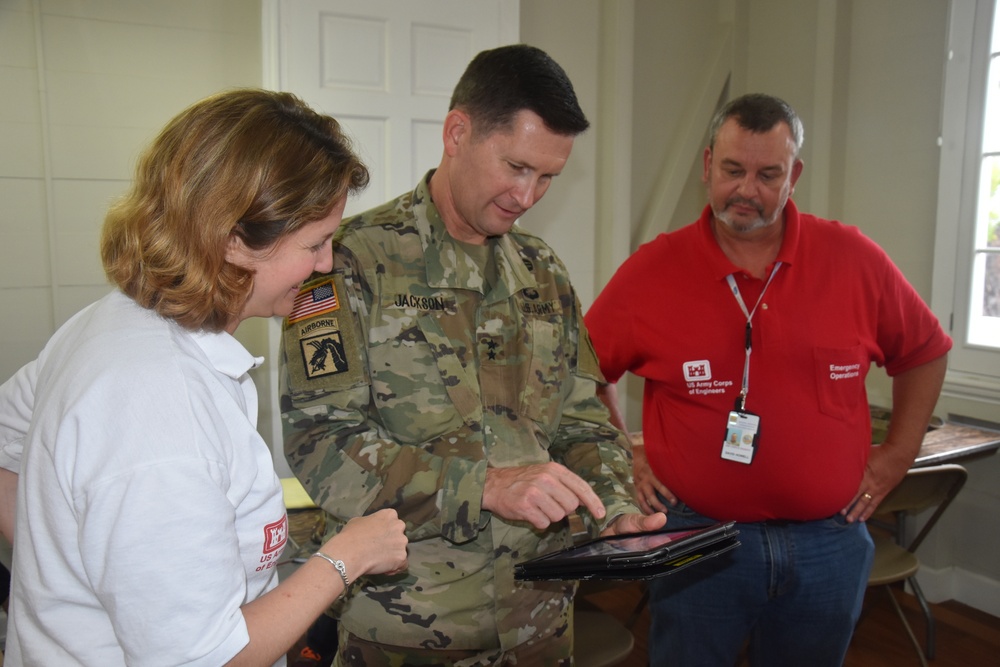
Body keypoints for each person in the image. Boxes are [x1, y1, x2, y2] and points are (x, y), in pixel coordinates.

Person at [280, 44, 665, 667]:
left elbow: (581, 421)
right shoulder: (345, 263)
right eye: (515, 166)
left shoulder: (543, 273)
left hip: (540, 620)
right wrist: (482, 486)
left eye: (547, 177)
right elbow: (322, 444)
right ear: (457, 133)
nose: (528, 194)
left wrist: (614, 507)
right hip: (407, 630)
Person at [0, 89, 409, 666]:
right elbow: (208, 658)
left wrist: (75, 563)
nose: (326, 264)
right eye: (315, 244)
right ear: (235, 241)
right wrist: (345, 558)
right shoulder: (163, 416)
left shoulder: (110, 321)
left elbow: (4, 447)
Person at [584, 93, 952, 666]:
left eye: (767, 174)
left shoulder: (854, 260)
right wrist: (621, 453)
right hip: (696, 540)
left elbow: (926, 350)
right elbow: (582, 371)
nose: (747, 190)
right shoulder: (653, 271)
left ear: (794, 176)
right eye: (732, 170)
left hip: (829, 542)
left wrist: (899, 452)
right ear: (707, 165)